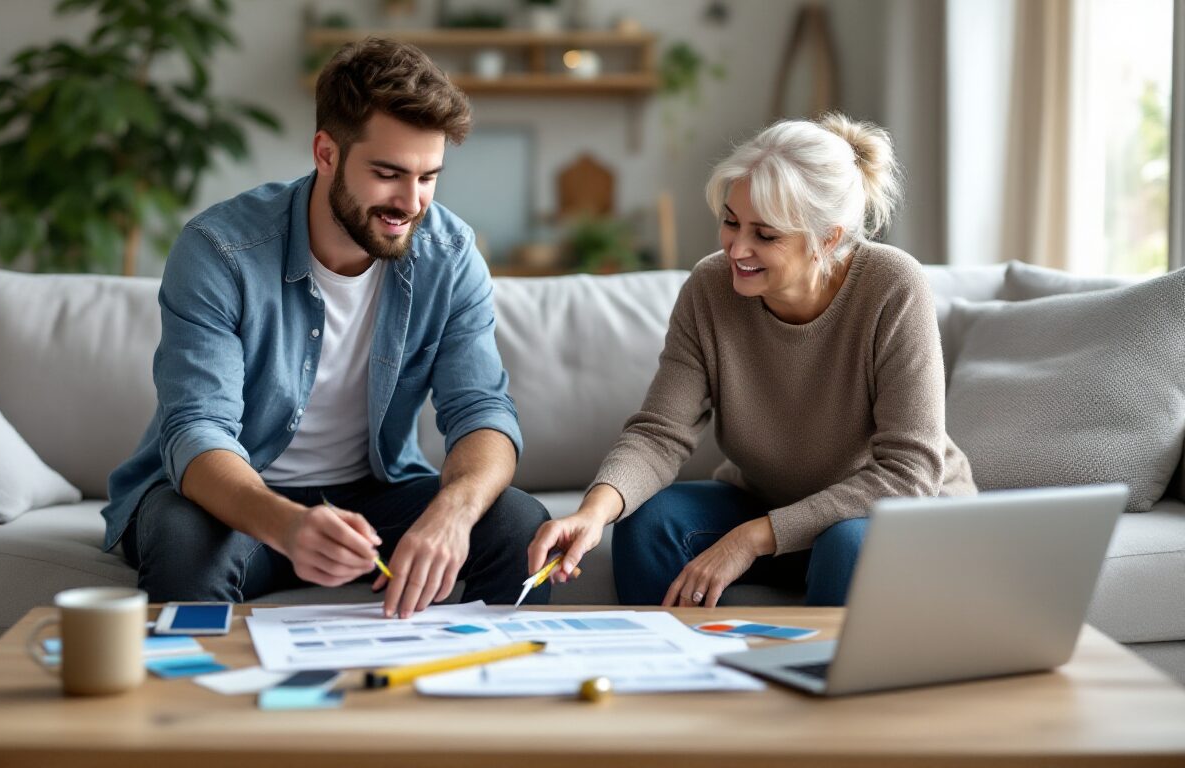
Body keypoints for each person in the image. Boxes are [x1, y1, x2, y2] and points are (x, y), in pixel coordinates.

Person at [102, 38, 550, 619]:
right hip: (237, 500)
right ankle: (200, 682)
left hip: (375, 500)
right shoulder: (220, 251)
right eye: (387, 173)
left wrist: (453, 512)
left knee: (517, 522)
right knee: (183, 539)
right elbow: (196, 429)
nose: (411, 202)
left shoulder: (450, 255)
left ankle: (481, 677)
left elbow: (482, 410)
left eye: (428, 177)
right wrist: (288, 525)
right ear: (326, 153)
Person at [528, 114, 976, 607]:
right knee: (648, 525)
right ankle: (676, 655)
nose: (737, 248)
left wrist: (752, 538)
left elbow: (909, 472)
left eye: (765, 235)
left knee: (844, 546)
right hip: (768, 502)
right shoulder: (710, 288)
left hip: (884, 514)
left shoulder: (891, 285)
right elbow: (660, 433)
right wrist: (593, 512)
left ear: (827, 238)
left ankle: (815, 660)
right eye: (731, 221)